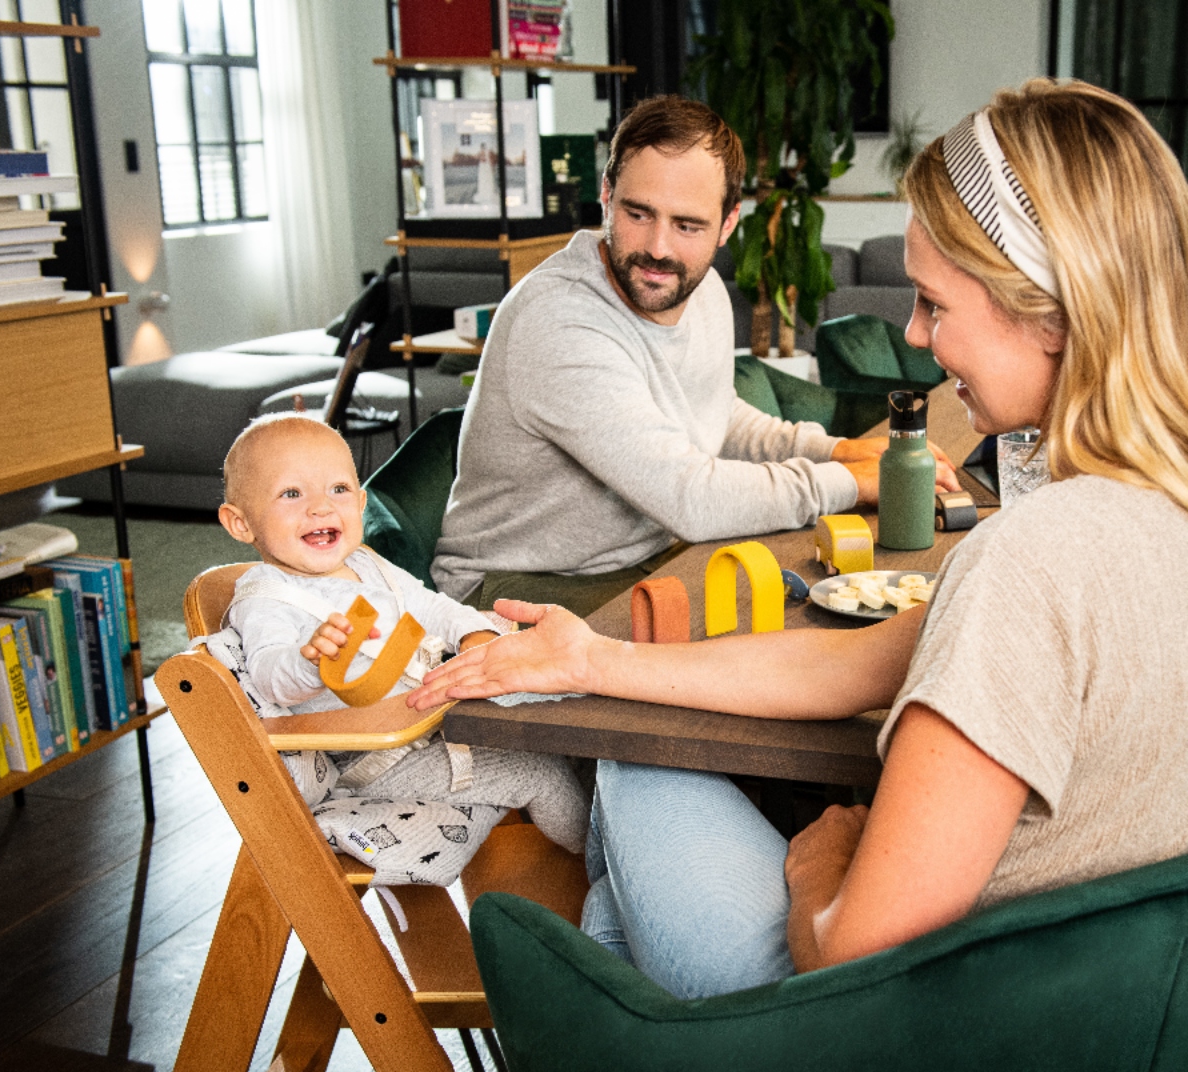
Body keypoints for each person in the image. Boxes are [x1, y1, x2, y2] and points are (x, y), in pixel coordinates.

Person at [410, 79, 1188, 998]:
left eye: (934, 305)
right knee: (639, 784)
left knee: (636, 757)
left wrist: (827, 858)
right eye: (637, 210)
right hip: (1058, 1024)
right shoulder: (1145, 510)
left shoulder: (1030, 560)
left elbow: (850, 949)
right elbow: (862, 664)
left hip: (853, 1038)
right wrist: (592, 662)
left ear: (1052, 314)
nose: (913, 331)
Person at [432, 95, 957, 616]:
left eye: (687, 226)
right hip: (514, 592)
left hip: (649, 556)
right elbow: (692, 498)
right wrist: (850, 483)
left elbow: (715, 414)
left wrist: (836, 452)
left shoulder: (696, 289)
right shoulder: (559, 322)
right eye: (638, 213)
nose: (659, 248)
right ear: (606, 194)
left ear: (728, 224)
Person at [215, 414, 588, 887]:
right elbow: (271, 676)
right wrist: (310, 661)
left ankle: (572, 858)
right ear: (240, 523)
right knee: (542, 772)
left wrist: (473, 635)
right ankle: (598, 873)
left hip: (434, 721)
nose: (320, 509)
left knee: (571, 722)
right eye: (292, 494)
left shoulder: (365, 564)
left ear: (362, 501)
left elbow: (430, 606)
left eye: (338, 490)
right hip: (380, 760)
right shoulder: (267, 595)